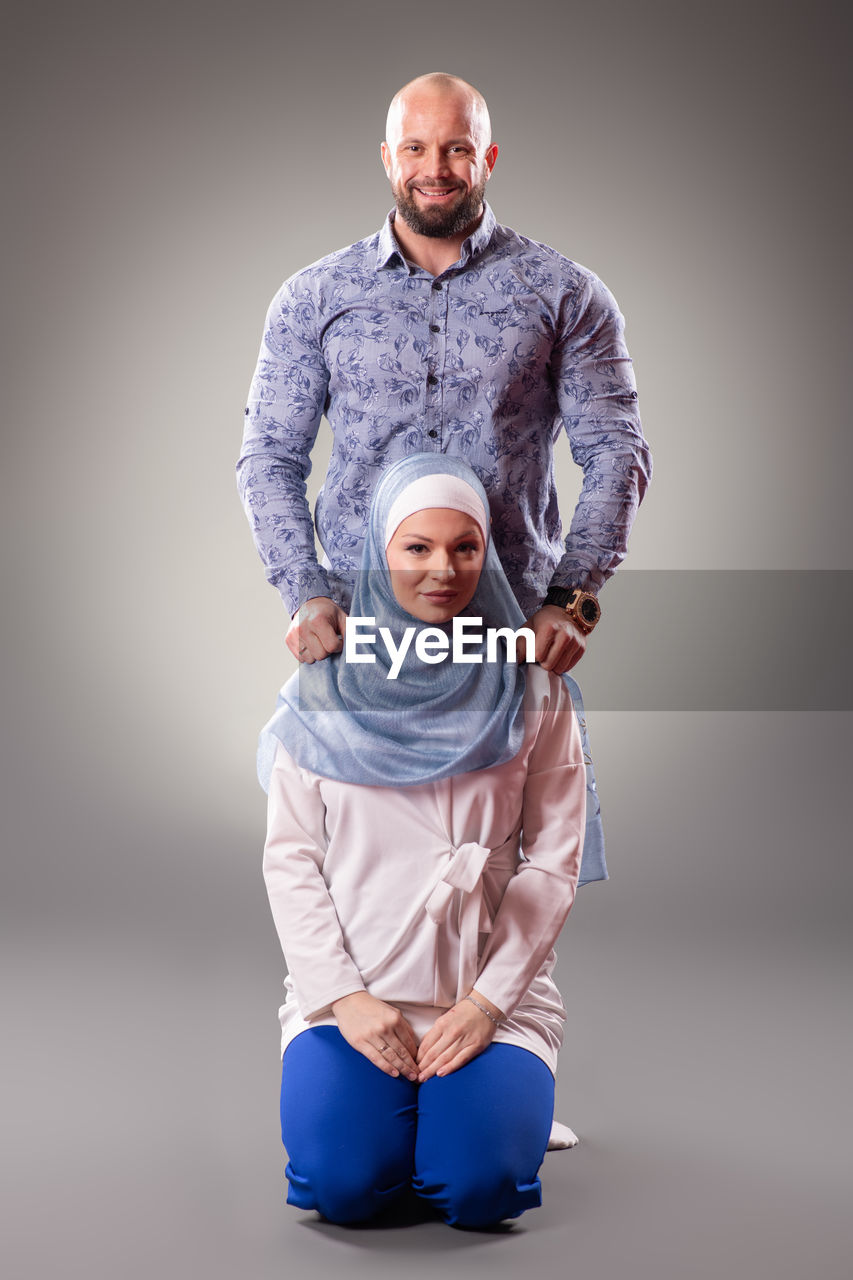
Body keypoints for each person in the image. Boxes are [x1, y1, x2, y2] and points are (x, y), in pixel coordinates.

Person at [260, 454, 588, 1227]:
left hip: (489, 998)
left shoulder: (534, 686)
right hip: (352, 997)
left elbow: (553, 862)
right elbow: (291, 857)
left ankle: (500, 1113)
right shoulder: (324, 685)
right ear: (381, 550)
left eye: (464, 547)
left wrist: (483, 1004)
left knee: (477, 1192)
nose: (442, 568)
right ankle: (422, 1109)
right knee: (344, 1189)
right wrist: (342, 999)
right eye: (416, 547)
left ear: (486, 555)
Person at [237, 71, 651, 679]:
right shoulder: (314, 297)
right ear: (387, 158)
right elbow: (270, 454)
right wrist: (303, 590)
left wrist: (572, 601)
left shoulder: (567, 295)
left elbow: (617, 451)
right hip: (360, 634)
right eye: (415, 148)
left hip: (513, 633)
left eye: (457, 148)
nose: (436, 168)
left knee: (527, 779)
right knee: (343, 781)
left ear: (488, 157)